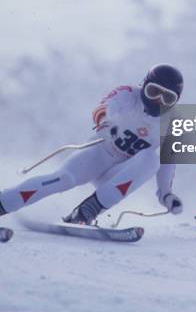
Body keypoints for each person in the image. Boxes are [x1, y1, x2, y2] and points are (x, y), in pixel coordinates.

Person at [0, 64, 184, 225]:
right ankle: (3, 203)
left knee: (151, 158)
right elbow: (105, 106)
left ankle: (87, 211)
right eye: (153, 92)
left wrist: (166, 194)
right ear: (143, 86)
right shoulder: (128, 94)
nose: (157, 100)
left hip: (119, 172)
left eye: (167, 98)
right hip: (98, 153)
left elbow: (167, 161)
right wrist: (105, 120)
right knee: (63, 180)